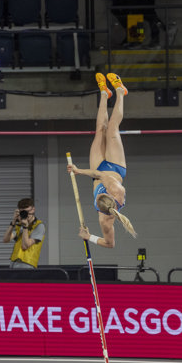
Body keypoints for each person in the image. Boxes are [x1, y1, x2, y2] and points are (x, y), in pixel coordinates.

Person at [67, 73, 137, 248]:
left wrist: (88, 236)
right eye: (101, 194)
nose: (99, 193)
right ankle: (121, 91)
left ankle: (105, 93)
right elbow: (99, 174)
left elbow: (108, 243)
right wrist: (77, 170)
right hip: (115, 166)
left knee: (100, 130)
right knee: (112, 129)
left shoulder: (103, 217)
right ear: (108, 195)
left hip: (98, 169)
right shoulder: (116, 190)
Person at [2, 198, 45, 269]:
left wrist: (25, 227)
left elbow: (25, 246)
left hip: (27, 264)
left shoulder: (39, 226)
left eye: (27, 211)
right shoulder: (19, 225)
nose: (26, 214)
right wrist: (13, 222)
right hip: (13, 263)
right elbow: (5, 240)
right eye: (23, 212)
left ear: (33, 209)